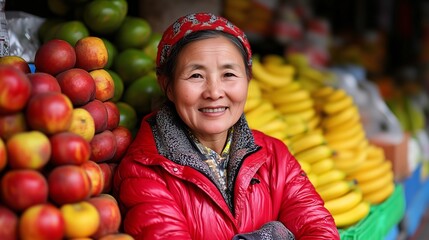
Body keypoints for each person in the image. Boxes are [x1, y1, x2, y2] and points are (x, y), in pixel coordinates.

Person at [113, 12, 340, 240]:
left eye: (229, 74)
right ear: (168, 86)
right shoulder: (144, 171)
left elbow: (318, 229)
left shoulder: (274, 156)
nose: (214, 92)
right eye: (196, 76)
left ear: (248, 80)